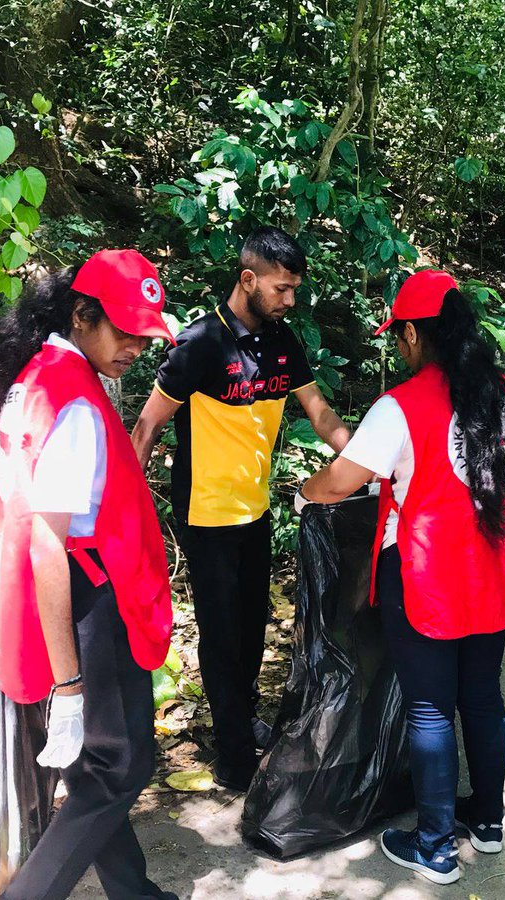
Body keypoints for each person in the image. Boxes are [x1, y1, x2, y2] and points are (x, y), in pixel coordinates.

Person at [0, 250, 179, 900]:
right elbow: (46, 545)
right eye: (123, 331)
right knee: (119, 766)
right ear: (83, 314)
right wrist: (68, 688)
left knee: (99, 767)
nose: (133, 349)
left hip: (55, 598)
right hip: (89, 603)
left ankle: (136, 894)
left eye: (144, 337)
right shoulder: (77, 407)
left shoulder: (36, 377)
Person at [299, 270, 505, 885]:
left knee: (430, 707)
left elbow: (343, 482)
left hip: (427, 571)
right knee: (482, 696)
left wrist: (304, 492)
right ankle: (486, 820)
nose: (398, 346)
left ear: (411, 334)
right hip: (492, 567)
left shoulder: (400, 406)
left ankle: (434, 845)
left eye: (398, 335)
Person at [130, 226, 350, 791]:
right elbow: (149, 422)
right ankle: (231, 755)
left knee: (254, 625)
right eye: (281, 289)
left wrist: (367, 464)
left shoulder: (283, 340)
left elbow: (320, 413)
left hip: (254, 509)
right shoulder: (201, 342)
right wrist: (128, 505)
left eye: (294, 289)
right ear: (248, 279)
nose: (290, 300)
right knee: (222, 631)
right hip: (205, 513)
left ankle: (241, 716)